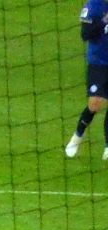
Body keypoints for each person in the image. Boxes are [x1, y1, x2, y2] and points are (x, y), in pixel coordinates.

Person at [65, 0, 108, 158]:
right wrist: (104, 20)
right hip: (98, 63)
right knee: (95, 104)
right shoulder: (92, 7)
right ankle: (77, 137)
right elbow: (86, 34)